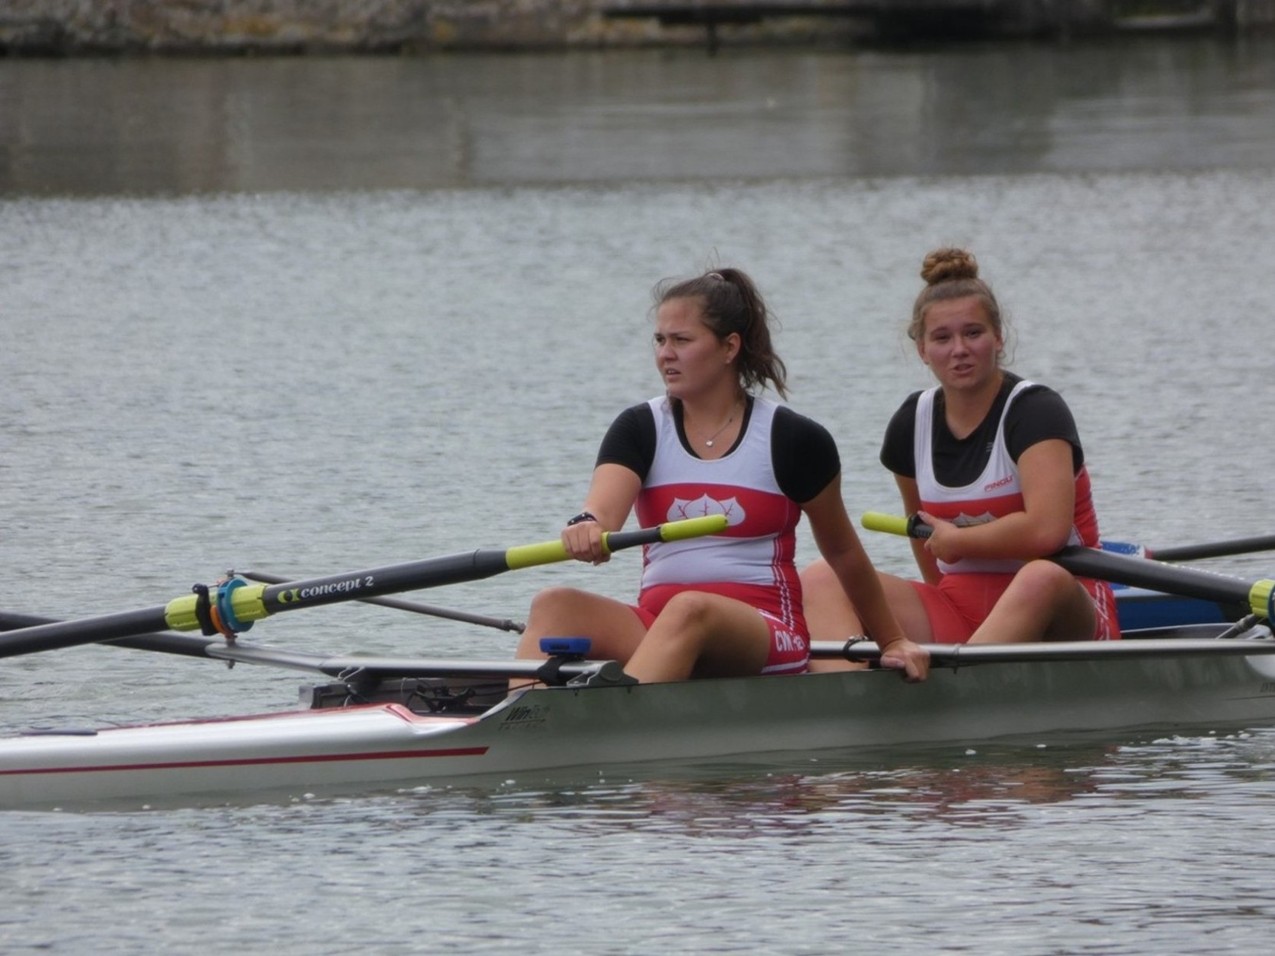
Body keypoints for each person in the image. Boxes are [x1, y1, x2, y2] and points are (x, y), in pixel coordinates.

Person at [513, 267, 930, 685]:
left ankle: (616, 714)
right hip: (661, 625)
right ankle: (518, 717)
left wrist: (893, 640)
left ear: (729, 347)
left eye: (681, 340)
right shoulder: (639, 428)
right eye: (660, 340)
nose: (665, 354)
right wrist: (587, 525)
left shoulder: (792, 439)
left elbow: (842, 551)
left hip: (768, 633)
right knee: (554, 603)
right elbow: (601, 512)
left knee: (691, 608)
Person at [802, 247, 1120, 660]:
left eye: (973, 333)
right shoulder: (911, 424)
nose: (959, 349)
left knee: (1039, 576)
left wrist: (961, 540)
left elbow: (1046, 531)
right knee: (822, 577)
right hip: (960, 608)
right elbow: (923, 538)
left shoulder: (1035, 411)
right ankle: (846, 691)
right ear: (922, 349)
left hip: (1067, 604)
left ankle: (956, 681)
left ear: (998, 338)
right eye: (942, 338)